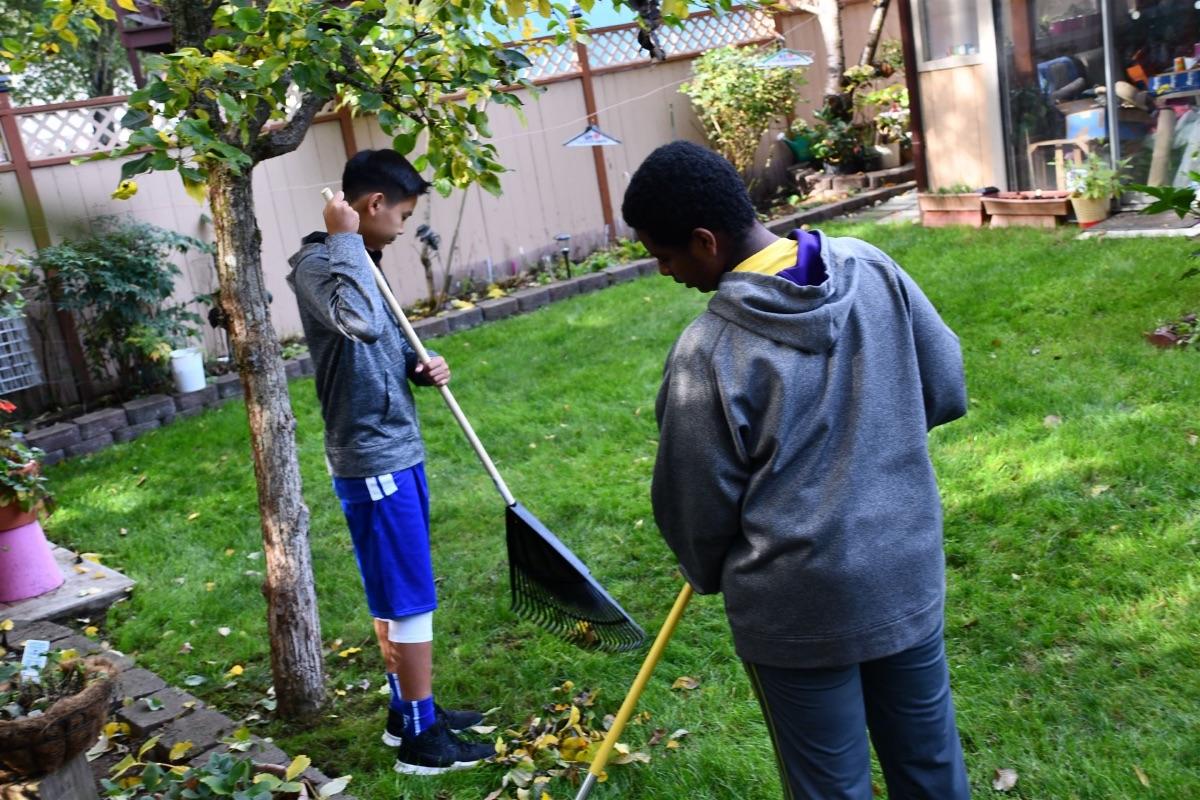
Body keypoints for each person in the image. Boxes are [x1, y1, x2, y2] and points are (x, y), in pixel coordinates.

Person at [622, 141, 971, 800]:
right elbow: (945, 382)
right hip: (903, 574)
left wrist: (704, 564)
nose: (663, 272)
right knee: (930, 764)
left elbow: (695, 507)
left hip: (796, 612)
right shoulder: (874, 268)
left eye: (662, 257)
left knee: (827, 787)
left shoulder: (709, 353)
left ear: (705, 242)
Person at [287, 149, 494, 776]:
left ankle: (410, 713)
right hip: (372, 456)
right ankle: (422, 744)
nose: (405, 226)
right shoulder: (323, 266)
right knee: (409, 597)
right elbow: (354, 321)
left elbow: (376, 344)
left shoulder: (358, 261)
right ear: (372, 206)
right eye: (402, 214)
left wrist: (418, 365)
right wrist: (347, 240)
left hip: (392, 447)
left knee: (394, 590)